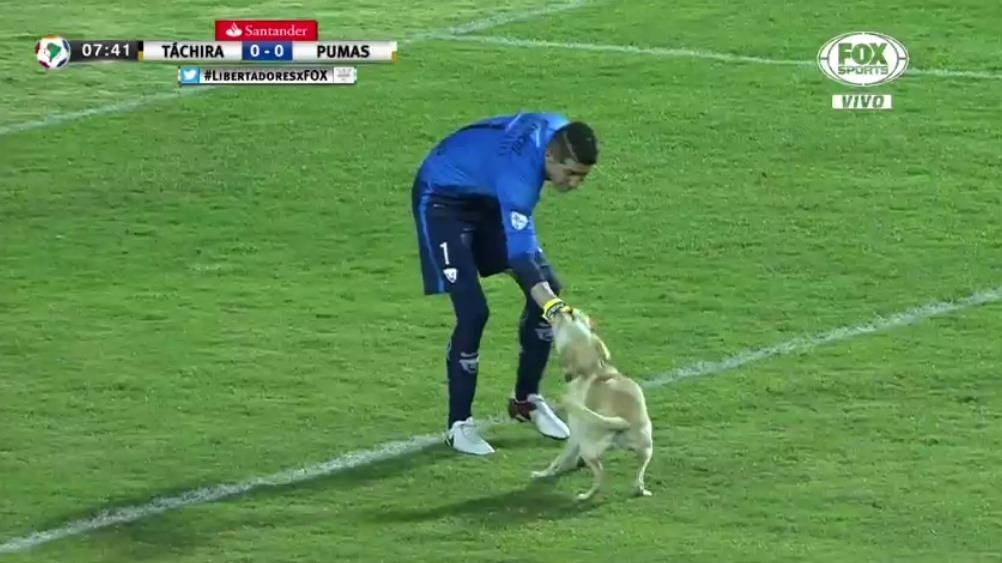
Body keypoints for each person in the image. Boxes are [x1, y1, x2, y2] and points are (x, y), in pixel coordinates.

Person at [410, 112, 599, 455]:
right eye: (570, 174)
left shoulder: (559, 134)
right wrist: (556, 311)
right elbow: (521, 259)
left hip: (486, 194)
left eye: (582, 177)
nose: (574, 184)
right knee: (473, 312)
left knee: (548, 286)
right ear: (549, 158)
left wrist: (551, 304)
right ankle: (459, 425)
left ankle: (526, 401)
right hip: (443, 199)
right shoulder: (520, 176)